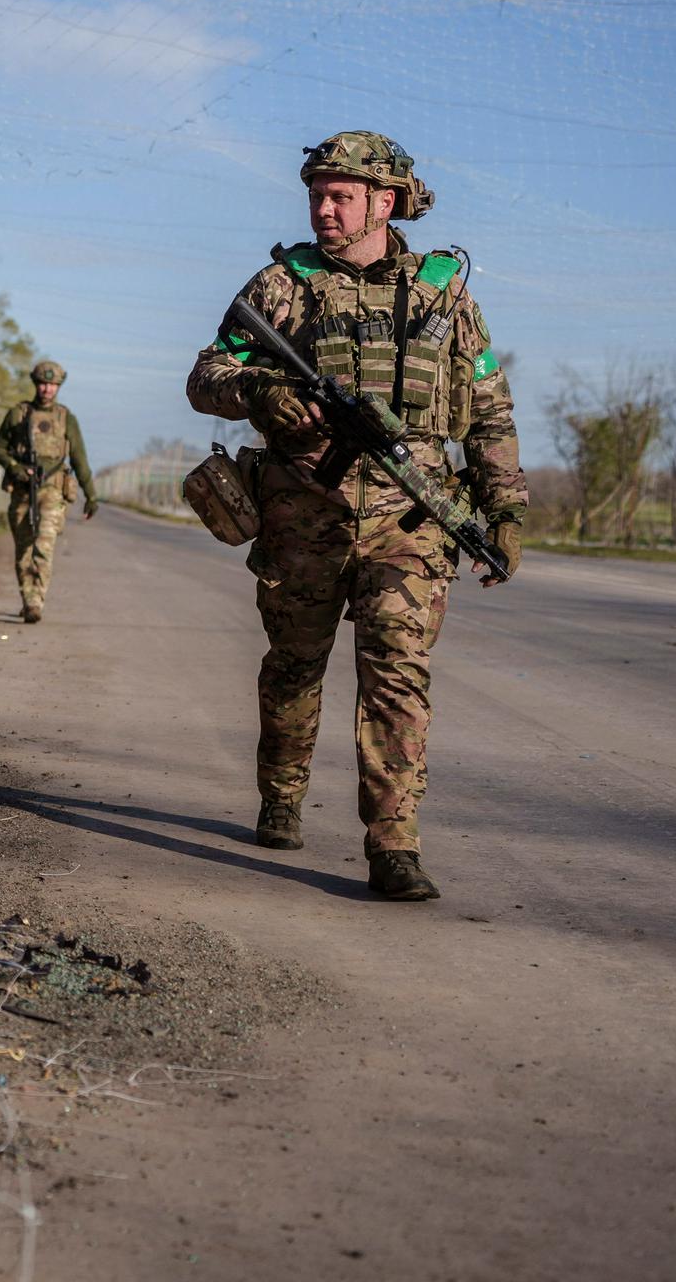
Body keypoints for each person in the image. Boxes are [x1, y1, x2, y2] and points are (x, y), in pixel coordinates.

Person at [187, 130, 526, 901]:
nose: (324, 209)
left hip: (410, 521)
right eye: (317, 195)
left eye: (341, 196)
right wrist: (260, 392)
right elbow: (207, 374)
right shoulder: (281, 285)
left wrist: (505, 507)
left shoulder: (443, 294)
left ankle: (393, 845)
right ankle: (281, 794)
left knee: (397, 675)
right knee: (293, 668)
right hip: (303, 514)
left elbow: (488, 409)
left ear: (386, 201)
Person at [0, 360, 97, 624]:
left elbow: (79, 459)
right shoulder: (18, 414)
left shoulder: (65, 418)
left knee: (43, 546)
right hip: (22, 490)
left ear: (58, 386)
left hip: (52, 491)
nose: (47, 389)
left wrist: (91, 496)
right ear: (35, 384)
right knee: (23, 549)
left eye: (52, 384)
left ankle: (35, 601)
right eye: (43, 383)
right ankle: (27, 597)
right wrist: (15, 468)